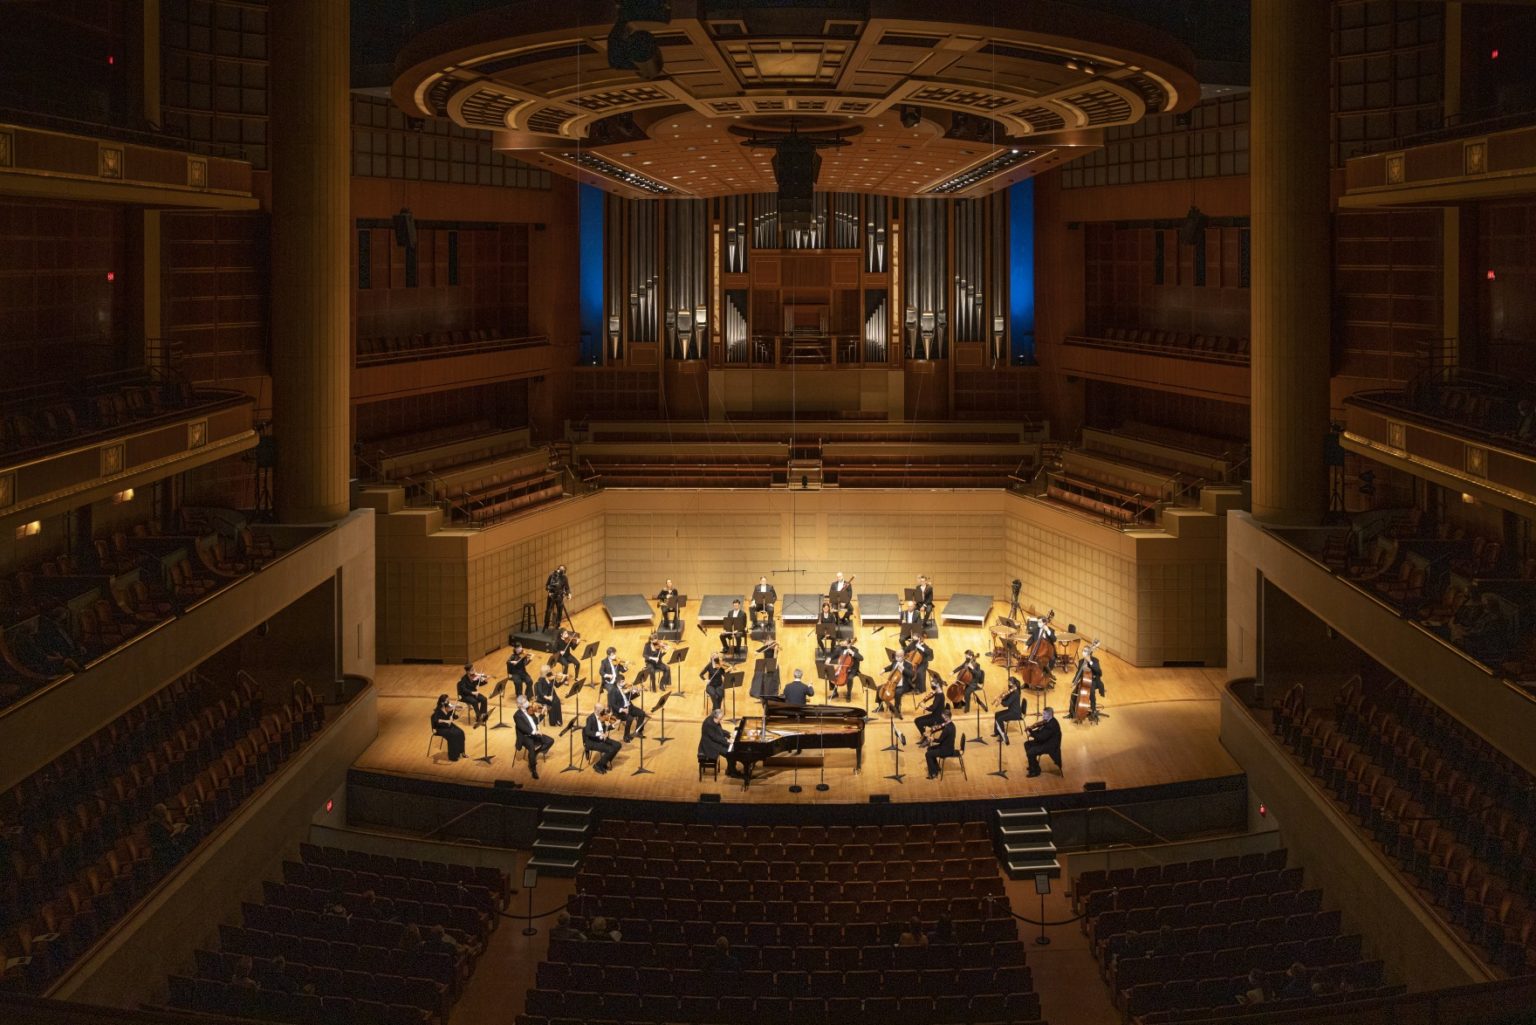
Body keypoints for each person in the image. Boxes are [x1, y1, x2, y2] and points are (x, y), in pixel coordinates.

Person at [513, 695, 554, 778]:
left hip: (535, 733)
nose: (527, 703)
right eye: (524, 702)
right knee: (531, 749)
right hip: (525, 736)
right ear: (520, 705)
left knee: (550, 741)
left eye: (526, 700)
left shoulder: (530, 709)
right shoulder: (517, 715)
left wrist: (543, 714)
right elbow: (523, 728)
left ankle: (536, 753)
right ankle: (533, 769)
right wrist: (534, 732)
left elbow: (535, 721)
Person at [606, 673, 648, 741]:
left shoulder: (623, 688)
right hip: (620, 712)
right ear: (618, 682)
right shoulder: (613, 691)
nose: (624, 683)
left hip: (630, 707)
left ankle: (638, 732)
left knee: (642, 713)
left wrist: (638, 691)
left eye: (624, 681)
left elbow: (629, 697)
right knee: (630, 718)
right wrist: (622, 709)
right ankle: (626, 736)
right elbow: (612, 704)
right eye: (623, 681)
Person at [1025, 706, 1062, 777]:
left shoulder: (1051, 725)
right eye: (1043, 713)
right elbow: (1041, 731)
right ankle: (1034, 765)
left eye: (1044, 714)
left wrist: (1031, 732)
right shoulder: (1049, 720)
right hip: (1046, 741)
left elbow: (1041, 737)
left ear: (1050, 715)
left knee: (1031, 752)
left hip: (1050, 745)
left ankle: (1035, 772)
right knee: (1027, 744)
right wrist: (1033, 731)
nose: (1043, 715)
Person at [582, 707, 621, 773]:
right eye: (601, 711)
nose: (605, 714)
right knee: (611, 749)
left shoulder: (601, 718)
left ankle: (604, 762)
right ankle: (598, 765)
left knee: (618, 745)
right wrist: (600, 734)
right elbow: (587, 732)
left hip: (602, 739)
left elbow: (605, 728)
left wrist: (613, 725)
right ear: (597, 711)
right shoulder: (590, 719)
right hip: (592, 741)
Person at [881, 650, 917, 718]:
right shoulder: (895, 662)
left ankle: (897, 710)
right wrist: (884, 670)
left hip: (904, 685)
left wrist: (903, 668)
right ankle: (880, 706)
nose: (897, 658)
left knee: (897, 692)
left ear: (903, 657)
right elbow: (890, 667)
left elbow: (911, 675)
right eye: (896, 656)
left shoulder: (908, 664)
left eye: (899, 656)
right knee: (880, 688)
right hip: (893, 683)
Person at [924, 710, 958, 779]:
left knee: (928, 754)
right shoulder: (951, 724)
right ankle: (936, 768)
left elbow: (939, 740)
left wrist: (932, 738)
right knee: (929, 749)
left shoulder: (947, 729)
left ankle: (933, 774)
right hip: (947, 746)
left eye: (943, 717)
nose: (942, 719)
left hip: (946, 750)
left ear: (946, 717)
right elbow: (942, 726)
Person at [431, 694, 466, 761]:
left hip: (448, 726)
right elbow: (437, 720)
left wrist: (455, 715)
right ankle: (453, 756)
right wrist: (446, 721)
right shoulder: (438, 710)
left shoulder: (449, 706)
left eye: (448, 700)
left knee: (461, 732)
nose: (449, 702)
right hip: (441, 728)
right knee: (453, 735)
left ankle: (462, 752)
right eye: (447, 701)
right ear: (442, 702)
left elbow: (454, 716)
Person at [994, 677, 1023, 742]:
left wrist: (1000, 700)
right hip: (1011, 711)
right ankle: (997, 733)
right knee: (997, 714)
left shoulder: (1015, 693)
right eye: (1008, 682)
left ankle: (1002, 736)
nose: (1009, 684)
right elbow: (1007, 699)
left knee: (999, 718)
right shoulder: (1012, 691)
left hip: (1015, 713)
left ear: (1014, 684)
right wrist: (1002, 697)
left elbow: (1006, 704)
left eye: (1010, 683)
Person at [544, 564, 569, 629]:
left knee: (560, 611)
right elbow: (547, 586)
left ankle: (557, 625)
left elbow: (567, 588)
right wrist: (549, 591)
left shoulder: (564, 577)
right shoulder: (551, 575)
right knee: (548, 611)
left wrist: (568, 594)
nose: (561, 571)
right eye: (560, 570)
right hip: (551, 596)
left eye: (562, 571)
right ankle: (546, 625)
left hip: (559, 597)